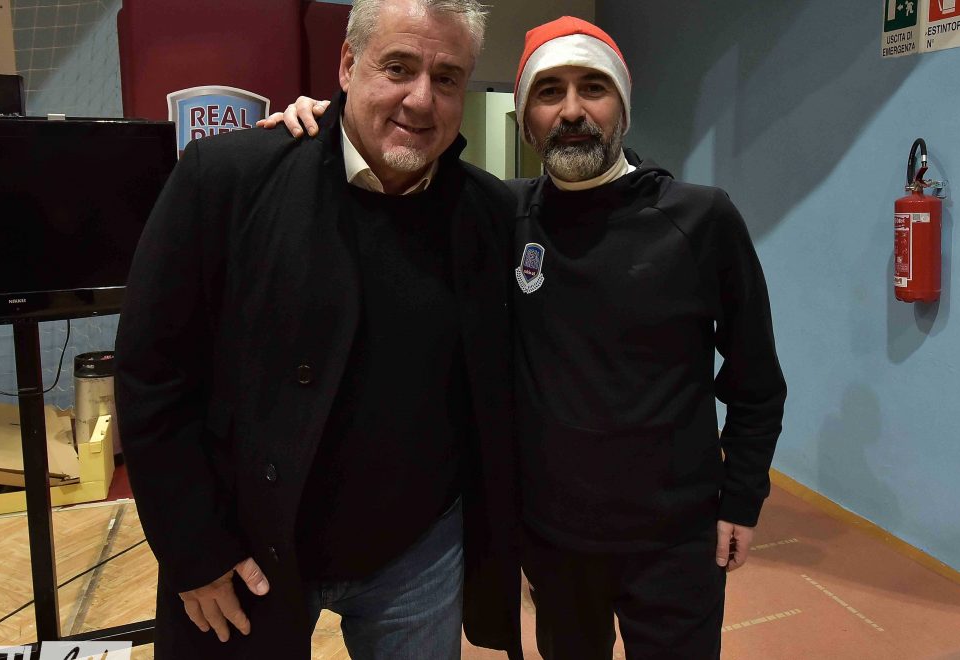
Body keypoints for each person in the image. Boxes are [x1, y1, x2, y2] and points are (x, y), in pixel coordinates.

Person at [263, 16, 787, 660]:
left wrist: (743, 498)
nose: (571, 111)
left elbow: (756, 381)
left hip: (676, 540)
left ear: (623, 104)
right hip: (553, 542)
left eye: (592, 87)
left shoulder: (700, 220)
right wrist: (322, 128)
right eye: (548, 91)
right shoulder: (499, 214)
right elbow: (386, 170)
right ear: (525, 120)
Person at [114, 1, 523, 658]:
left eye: (446, 78)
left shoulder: (491, 214)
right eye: (398, 68)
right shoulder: (228, 178)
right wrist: (194, 549)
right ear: (347, 65)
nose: (421, 99)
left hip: (417, 558)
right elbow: (151, 373)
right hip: (249, 550)